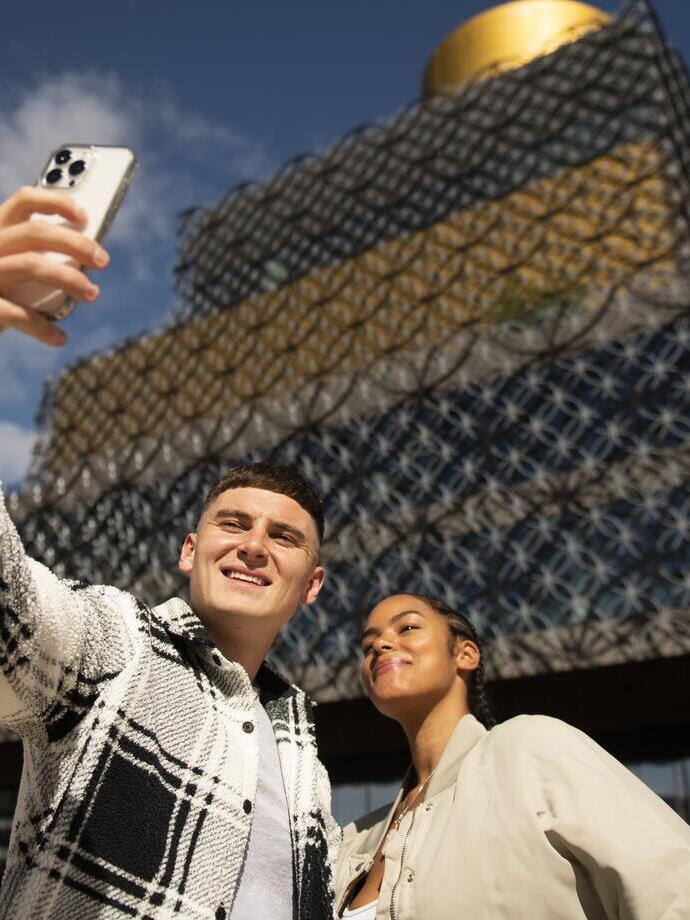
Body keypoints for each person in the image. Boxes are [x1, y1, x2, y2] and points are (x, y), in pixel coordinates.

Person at [0, 186, 340, 919]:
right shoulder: (114, 647)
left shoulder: (304, 755)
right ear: (191, 550)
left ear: (312, 585)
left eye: (283, 537)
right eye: (232, 524)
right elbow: (9, 612)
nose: (253, 546)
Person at [336, 593, 690, 919]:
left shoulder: (530, 751)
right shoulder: (354, 840)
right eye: (367, 646)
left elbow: (672, 885)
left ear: (466, 654)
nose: (380, 645)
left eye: (408, 627)